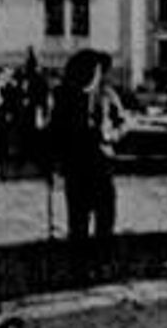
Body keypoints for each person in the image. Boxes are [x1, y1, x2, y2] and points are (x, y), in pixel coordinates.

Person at [48, 50, 127, 246]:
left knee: (105, 220)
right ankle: (80, 268)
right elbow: (54, 131)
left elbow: (123, 123)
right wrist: (53, 161)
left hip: (102, 164)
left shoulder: (107, 94)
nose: (94, 74)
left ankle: (102, 263)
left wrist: (111, 136)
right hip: (76, 166)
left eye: (97, 70)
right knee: (78, 224)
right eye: (89, 70)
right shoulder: (64, 96)